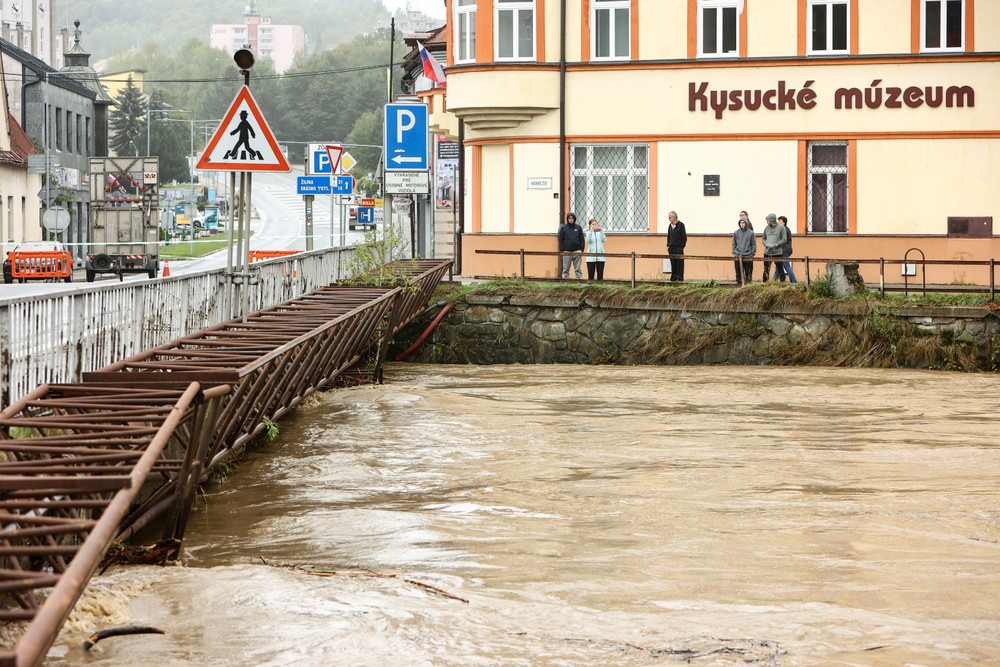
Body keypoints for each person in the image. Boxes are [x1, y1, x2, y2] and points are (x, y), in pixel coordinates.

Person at [761, 213, 788, 282]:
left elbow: (784, 239)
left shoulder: (781, 227)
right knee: (766, 269)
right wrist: (765, 244)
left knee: (780, 268)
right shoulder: (766, 228)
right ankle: (764, 283)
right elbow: (763, 238)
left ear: (772, 220)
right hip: (767, 252)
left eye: (768, 220)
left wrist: (777, 244)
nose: (767, 222)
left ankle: (782, 283)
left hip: (777, 252)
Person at [558, 212, 585, 279]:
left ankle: (579, 282)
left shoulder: (578, 227)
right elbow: (560, 239)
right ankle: (565, 282)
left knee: (578, 269)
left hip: (577, 251)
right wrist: (562, 249)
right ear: (567, 219)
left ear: (574, 219)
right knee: (565, 269)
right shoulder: (563, 228)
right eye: (569, 218)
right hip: (567, 251)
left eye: (572, 218)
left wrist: (581, 249)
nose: (571, 219)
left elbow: (582, 239)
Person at [732, 215, 756, 286]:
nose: (742, 224)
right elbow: (734, 243)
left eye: (743, 223)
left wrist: (751, 254)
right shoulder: (736, 233)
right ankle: (739, 285)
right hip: (738, 255)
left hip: (748, 256)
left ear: (746, 223)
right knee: (738, 272)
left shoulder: (751, 233)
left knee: (748, 272)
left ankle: (748, 286)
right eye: (741, 223)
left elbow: (753, 245)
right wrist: (734, 252)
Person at [666, 210, 687, 282]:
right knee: (673, 263)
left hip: (678, 248)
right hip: (671, 248)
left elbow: (684, 238)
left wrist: (681, 247)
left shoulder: (681, 225)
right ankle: (673, 278)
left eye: (670, 217)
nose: (669, 219)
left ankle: (679, 279)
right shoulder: (670, 226)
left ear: (674, 217)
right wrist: (668, 246)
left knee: (679, 264)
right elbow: (668, 236)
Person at [778, 215, 797, 283]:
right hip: (784, 250)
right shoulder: (785, 229)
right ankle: (774, 281)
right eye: (778, 221)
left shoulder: (784, 229)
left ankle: (794, 282)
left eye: (780, 221)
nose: (778, 222)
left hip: (784, 250)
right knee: (778, 266)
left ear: (784, 222)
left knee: (786, 266)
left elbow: (783, 240)